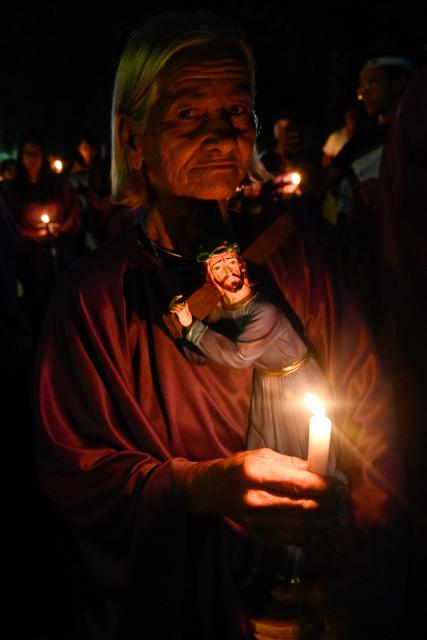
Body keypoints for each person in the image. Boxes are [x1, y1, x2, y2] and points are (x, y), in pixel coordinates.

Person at [34, 11, 405, 639]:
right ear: (132, 141)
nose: (221, 136)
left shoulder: (292, 258)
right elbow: (78, 475)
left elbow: (368, 414)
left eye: (237, 112)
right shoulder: (97, 298)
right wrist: (202, 487)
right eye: (187, 115)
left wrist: (348, 564)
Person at [169, 242, 336, 465]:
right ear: (210, 277)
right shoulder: (221, 311)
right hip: (266, 383)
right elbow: (202, 354)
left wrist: (193, 327)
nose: (228, 271)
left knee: (306, 447)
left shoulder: (266, 311)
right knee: (269, 447)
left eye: (230, 262)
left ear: (241, 266)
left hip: (298, 381)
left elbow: (238, 357)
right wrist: (183, 327)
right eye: (218, 267)